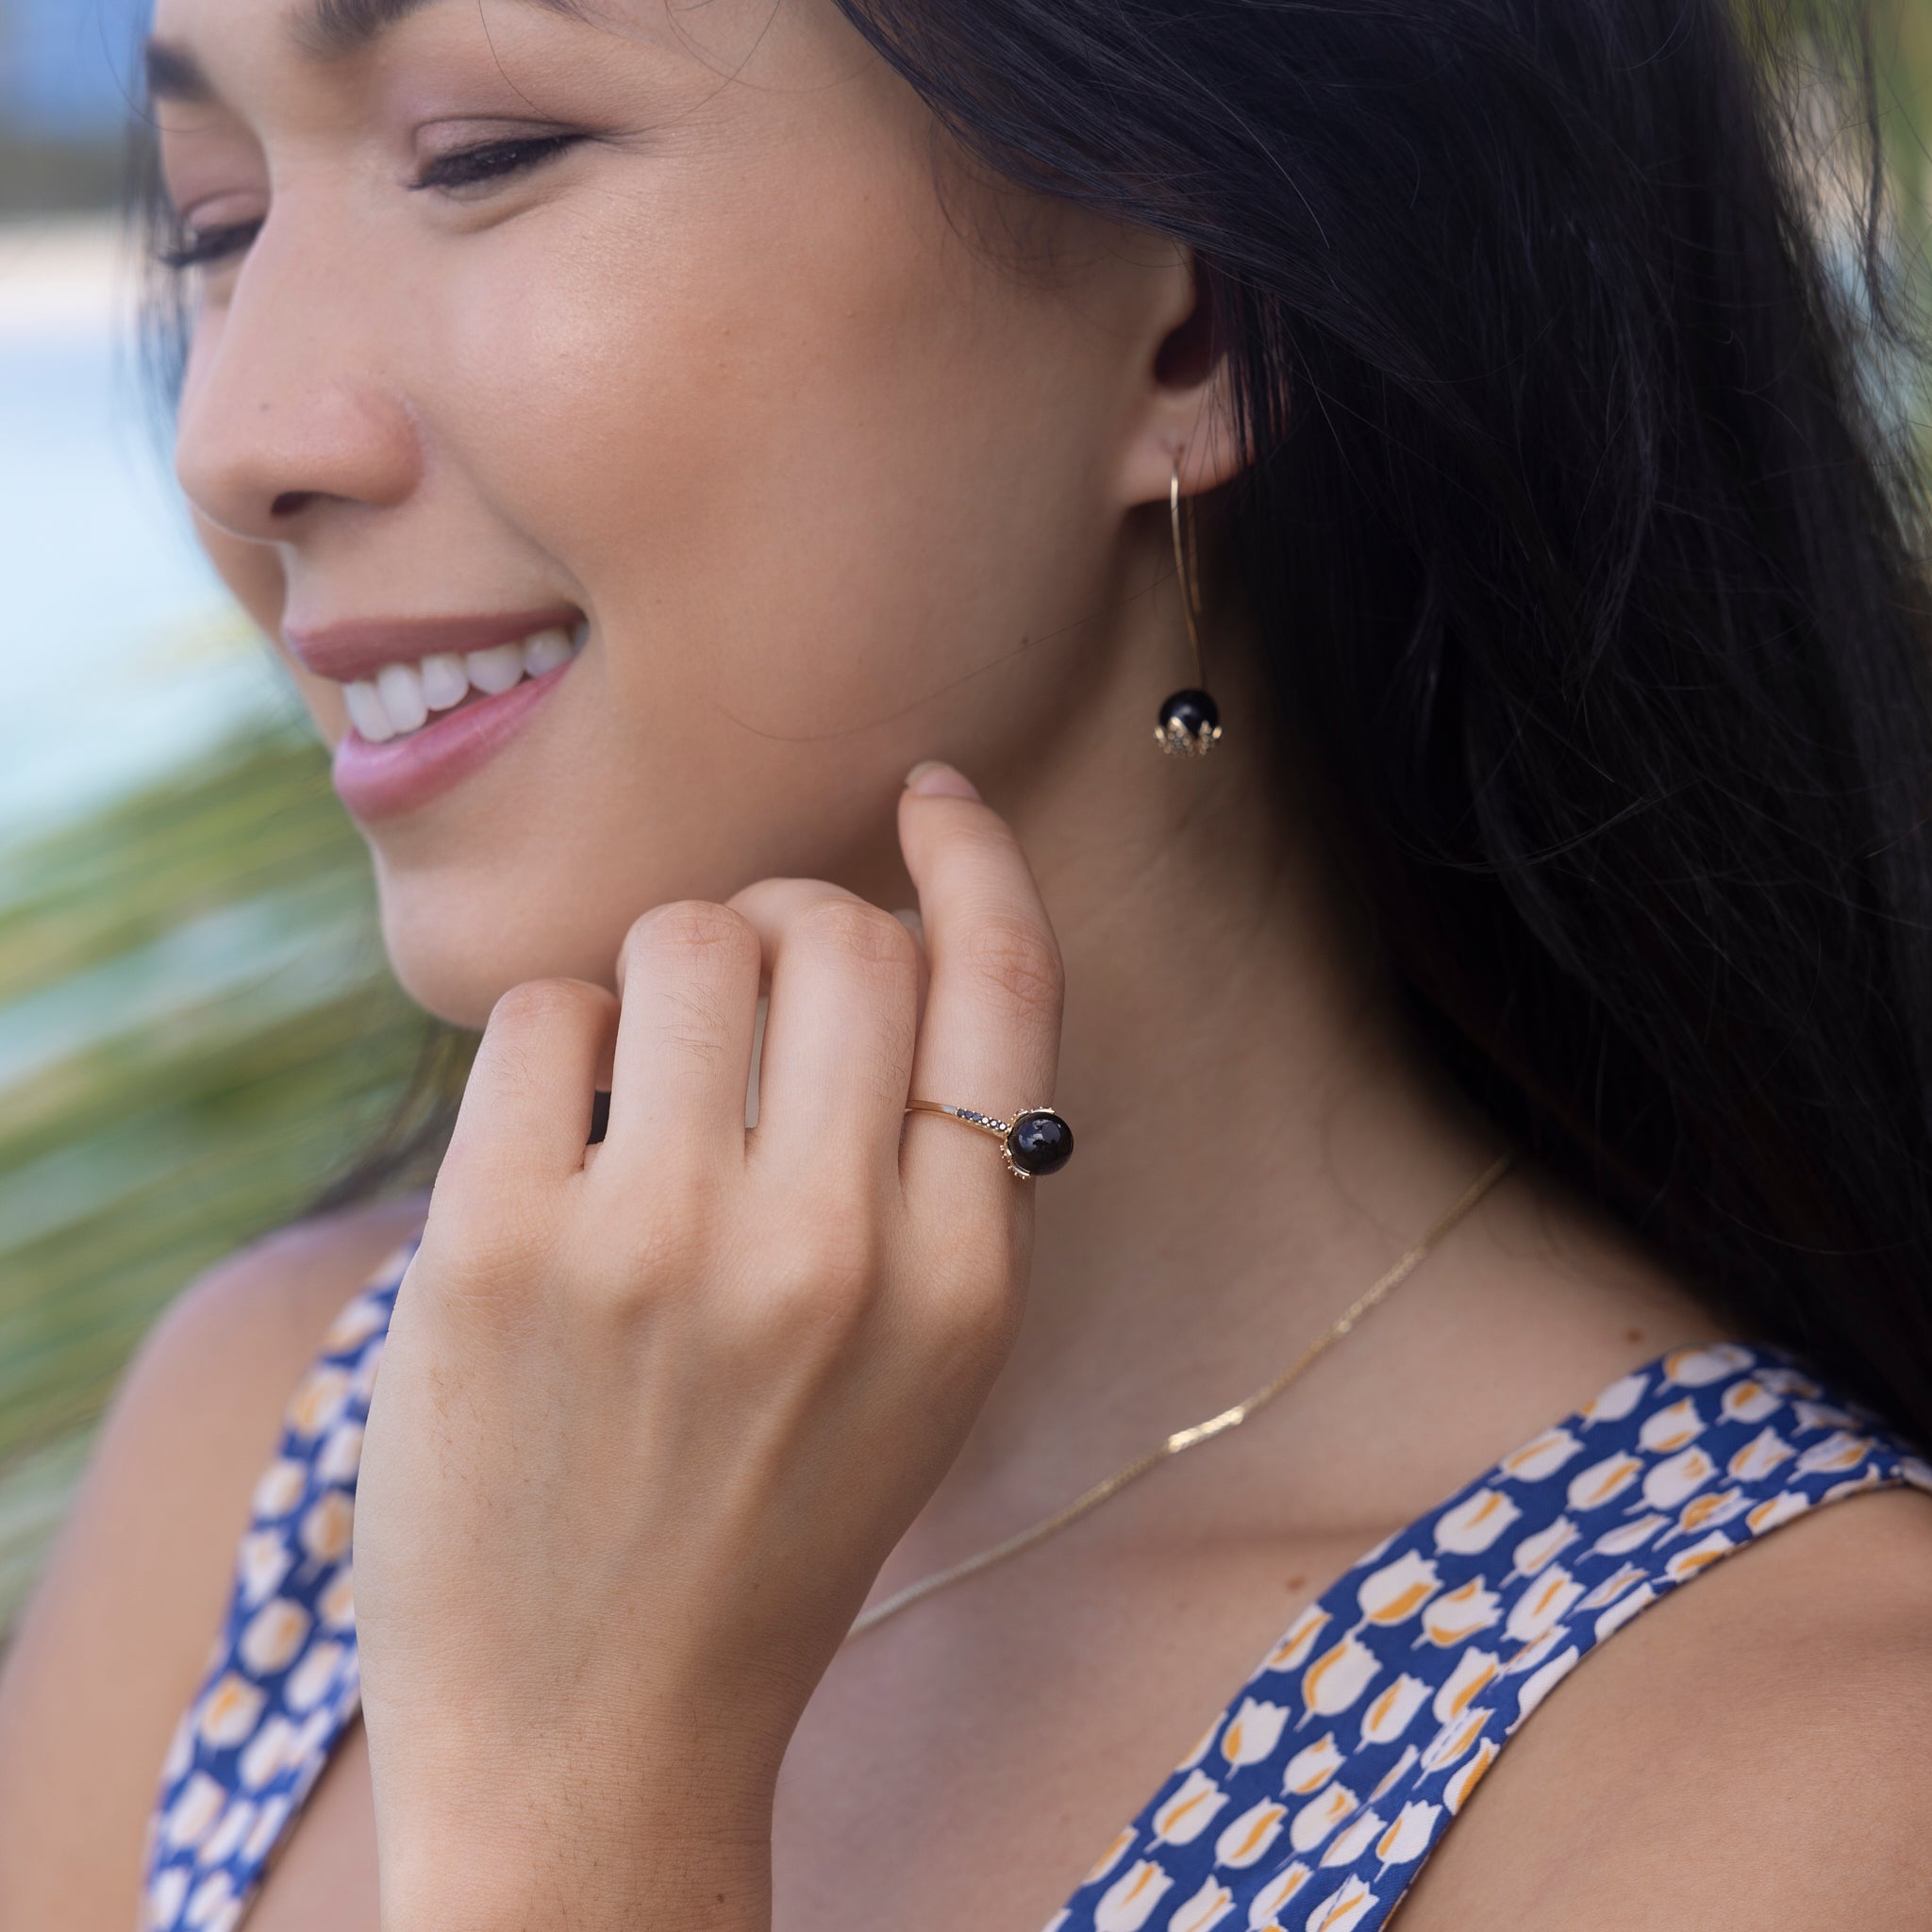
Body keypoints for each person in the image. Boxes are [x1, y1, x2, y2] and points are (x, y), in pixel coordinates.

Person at [8, 0, 1932, 1925]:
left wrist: (575, 1806)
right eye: (218, 220)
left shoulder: (1815, 1773)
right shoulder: (288, 1440)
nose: (238, 435)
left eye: (482, 151)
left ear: (1191, 320)